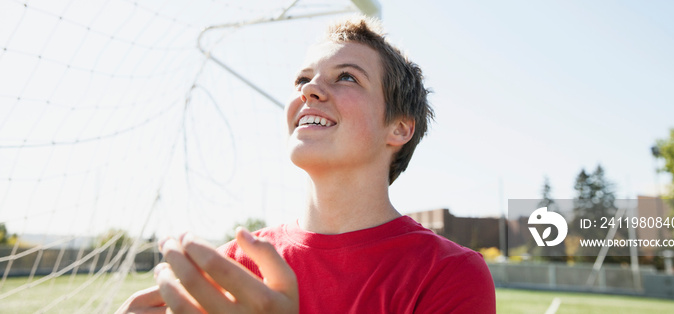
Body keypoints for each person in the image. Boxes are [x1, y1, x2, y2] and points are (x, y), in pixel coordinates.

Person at [117, 16, 496, 313]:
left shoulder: (448, 273)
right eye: (302, 79)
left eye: (346, 77)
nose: (309, 90)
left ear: (399, 128)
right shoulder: (234, 263)